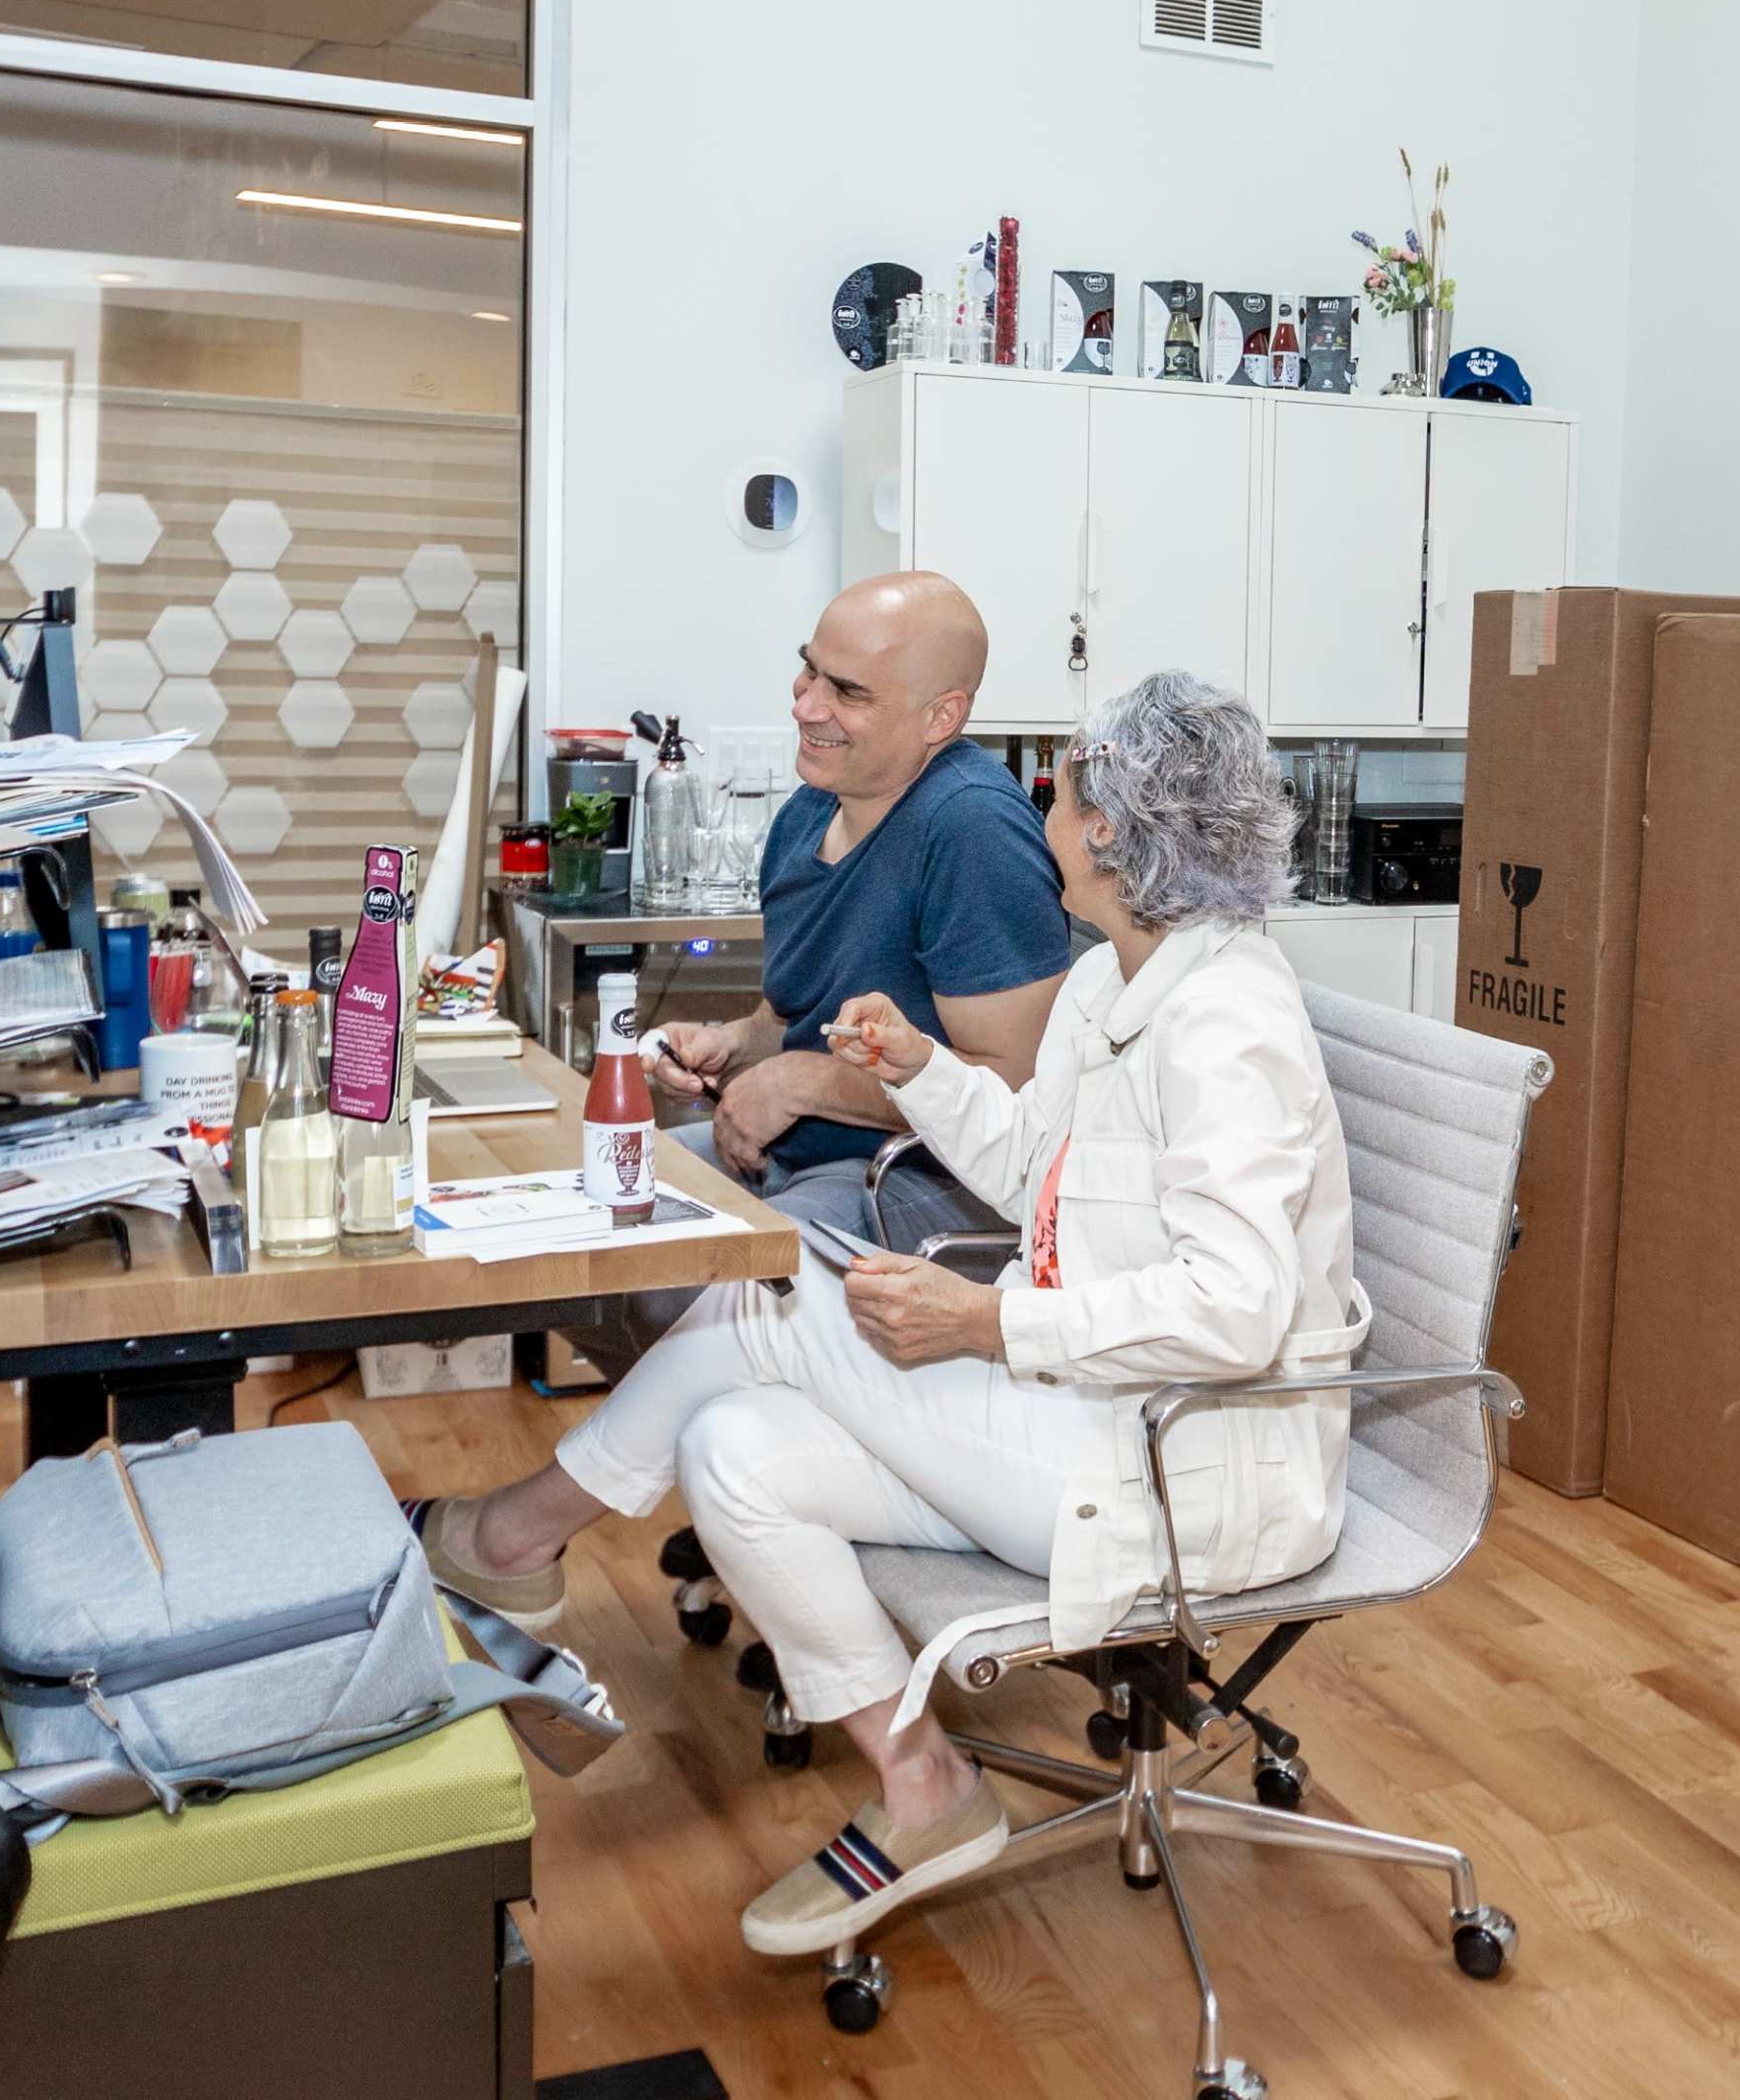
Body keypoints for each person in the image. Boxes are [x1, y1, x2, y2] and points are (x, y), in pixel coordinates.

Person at [419, 672, 1361, 1958]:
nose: (1046, 807)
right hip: (1081, 1423)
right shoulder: (1114, 982)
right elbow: (1036, 1172)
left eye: (1068, 788)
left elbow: (1237, 1309)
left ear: (1117, 831)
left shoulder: (1226, 1022)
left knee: (772, 1281)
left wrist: (988, 1325)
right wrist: (921, 1072)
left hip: (1188, 1466)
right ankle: (922, 1782)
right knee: (733, 1449)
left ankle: (512, 1536)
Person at [576, 571, 1071, 1375]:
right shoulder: (810, 809)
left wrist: (803, 1084)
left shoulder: (974, 831)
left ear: (941, 716)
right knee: (597, 1222)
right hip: (805, 1150)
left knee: (730, 1292)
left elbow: (1019, 1090)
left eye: (847, 690)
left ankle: (551, 1499)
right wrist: (731, 1044)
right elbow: (792, 1010)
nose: (805, 704)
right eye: (809, 670)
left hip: (926, 1176)